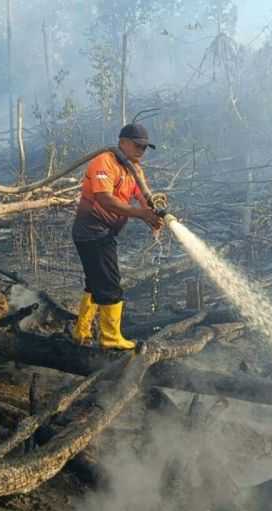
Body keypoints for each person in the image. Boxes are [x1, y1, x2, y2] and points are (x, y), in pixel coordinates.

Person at [71, 123, 163, 350]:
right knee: (110, 286)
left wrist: (153, 214)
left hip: (103, 232)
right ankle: (110, 340)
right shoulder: (104, 162)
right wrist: (140, 214)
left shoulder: (134, 170)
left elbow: (144, 197)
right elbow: (104, 199)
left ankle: (81, 333)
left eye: (144, 147)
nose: (141, 150)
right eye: (138, 145)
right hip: (91, 231)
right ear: (123, 142)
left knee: (95, 284)